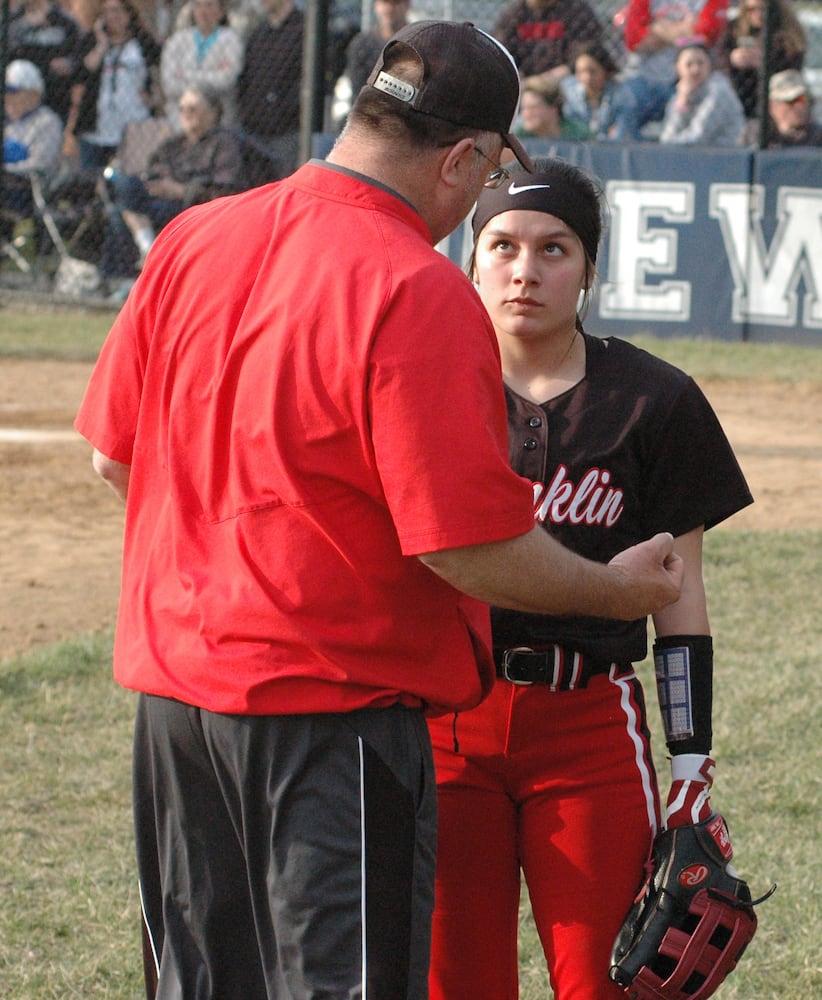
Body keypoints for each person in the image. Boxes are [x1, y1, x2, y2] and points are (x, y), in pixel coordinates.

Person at [74, 21, 683, 999]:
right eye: (486, 177)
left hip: (176, 706)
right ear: (464, 158)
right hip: (332, 719)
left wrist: (229, 564)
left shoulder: (196, 234)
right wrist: (613, 591)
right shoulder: (416, 285)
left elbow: (114, 455)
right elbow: (468, 547)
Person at [427, 156, 752, 1000]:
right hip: (441, 725)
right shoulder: (423, 384)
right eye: (501, 245)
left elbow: (681, 596)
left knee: (605, 983)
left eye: (554, 248)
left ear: (592, 269)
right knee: (452, 983)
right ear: (470, 259)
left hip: (588, 729)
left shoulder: (655, 399)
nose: (525, 270)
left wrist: (692, 760)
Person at [100, 83, 244, 294]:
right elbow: (153, 170)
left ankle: (138, 264)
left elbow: (226, 189)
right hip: (155, 200)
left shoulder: (224, 145)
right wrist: (157, 185)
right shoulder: (174, 143)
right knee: (122, 182)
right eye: (183, 109)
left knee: (119, 213)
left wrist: (180, 190)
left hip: (194, 209)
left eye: (193, 109)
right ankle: (141, 256)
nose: (186, 114)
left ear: (213, 112)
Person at [613, 0, 730, 140]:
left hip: (694, 81)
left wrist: (658, 28)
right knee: (627, 98)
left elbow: (706, 35)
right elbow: (635, 40)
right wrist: (685, 30)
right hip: (646, 80)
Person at [71, 0, 162, 171]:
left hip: (133, 122)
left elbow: (158, 72)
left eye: (117, 11)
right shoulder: (93, 41)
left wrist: (154, 99)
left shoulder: (142, 42)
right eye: (106, 12)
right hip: (97, 125)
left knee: (128, 178)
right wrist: (102, 45)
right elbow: (81, 74)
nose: (113, 17)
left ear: (129, 14)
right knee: (91, 179)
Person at [236, 0, 304, 179]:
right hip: (255, 131)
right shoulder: (258, 33)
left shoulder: (303, 30)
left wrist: (286, 111)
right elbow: (245, 78)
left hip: (288, 133)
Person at [159, 0, 243, 131]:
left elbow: (227, 80)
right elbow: (169, 85)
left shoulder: (231, 40)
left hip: (218, 125)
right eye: (198, 5)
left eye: (209, 5)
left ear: (221, 11)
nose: (203, 11)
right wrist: (212, 75)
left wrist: (185, 74)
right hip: (180, 125)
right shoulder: (176, 41)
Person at [718, 0, 805, 124]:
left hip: (776, 92)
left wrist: (764, 62)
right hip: (740, 90)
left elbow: (794, 66)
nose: (757, 14)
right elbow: (719, 56)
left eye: (762, 9)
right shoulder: (735, 28)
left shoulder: (787, 31)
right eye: (751, 10)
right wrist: (733, 59)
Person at [2, 60, 64, 224]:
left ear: (34, 94)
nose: (7, 97)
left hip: (27, 190)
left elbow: (41, 165)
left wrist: (6, 171)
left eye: (13, 91)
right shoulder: (6, 121)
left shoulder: (47, 122)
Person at [7, 0, 87, 123]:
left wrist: (69, 64)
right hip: (19, 101)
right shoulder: (13, 17)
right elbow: (6, 48)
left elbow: (81, 53)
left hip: (55, 98)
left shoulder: (65, 19)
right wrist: (27, 24)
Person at [659, 37, 745, 145]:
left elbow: (698, 137)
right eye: (689, 64)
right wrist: (682, 103)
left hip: (726, 156)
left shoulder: (718, 90)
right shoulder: (680, 94)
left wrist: (670, 143)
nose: (696, 70)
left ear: (709, 64)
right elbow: (667, 136)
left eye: (700, 63)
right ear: (678, 68)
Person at [493, 0, 604, 82]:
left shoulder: (576, 10)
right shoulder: (514, 14)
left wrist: (542, 81)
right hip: (525, 85)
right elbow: (501, 54)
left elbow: (583, 55)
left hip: (565, 81)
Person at [560, 41, 628, 140]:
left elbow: (620, 134)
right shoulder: (568, 93)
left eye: (592, 71)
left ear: (604, 70)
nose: (587, 77)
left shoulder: (620, 95)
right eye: (581, 72)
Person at [515, 74, 590, 140]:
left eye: (533, 108)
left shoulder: (580, 136)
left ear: (554, 109)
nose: (526, 114)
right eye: (524, 108)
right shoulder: (517, 137)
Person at [765, 68, 822, 147]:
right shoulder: (759, 134)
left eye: (802, 100)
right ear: (773, 106)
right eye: (791, 101)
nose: (799, 106)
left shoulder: (818, 136)